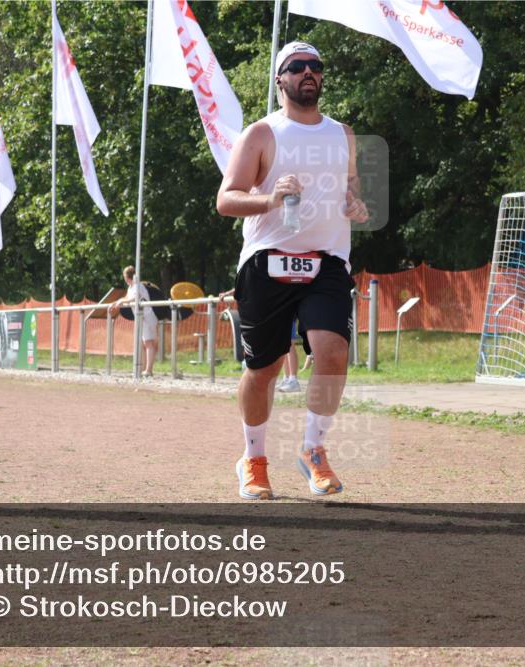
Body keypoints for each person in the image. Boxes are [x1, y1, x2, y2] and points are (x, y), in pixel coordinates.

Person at [217, 41, 369, 500]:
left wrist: (355, 204)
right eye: (297, 66)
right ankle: (254, 459)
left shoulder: (343, 134)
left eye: (315, 66)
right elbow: (226, 199)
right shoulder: (262, 134)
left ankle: (313, 450)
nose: (308, 72)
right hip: (268, 259)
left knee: (333, 353)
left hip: (327, 261)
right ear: (279, 79)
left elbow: (351, 189)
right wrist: (270, 199)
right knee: (263, 368)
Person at [108, 265, 157, 377]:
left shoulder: (138, 286)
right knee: (143, 343)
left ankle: (148, 370)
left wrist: (121, 302)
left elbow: (134, 298)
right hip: (140, 317)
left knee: (148, 343)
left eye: (125, 276)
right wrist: (116, 302)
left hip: (146, 316)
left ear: (127, 276)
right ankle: (143, 369)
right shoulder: (131, 287)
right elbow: (126, 298)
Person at [277, 320, 302, 392]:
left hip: (288, 317)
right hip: (280, 317)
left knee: (290, 344)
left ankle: (293, 380)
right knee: (283, 347)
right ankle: (287, 378)